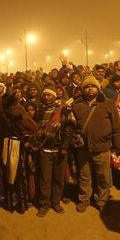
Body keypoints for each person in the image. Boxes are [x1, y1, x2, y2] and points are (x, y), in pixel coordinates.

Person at [71, 76, 120, 212]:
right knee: (84, 176)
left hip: (102, 148)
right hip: (83, 148)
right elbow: (72, 127)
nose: (90, 89)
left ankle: (101, 200)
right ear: (83, 89)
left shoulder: (108, 104)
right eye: (87, 87)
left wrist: (118, 147)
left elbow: (116, 126)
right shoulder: (76, 105)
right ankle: (84, 199)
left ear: (98, 89)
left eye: (93, 86)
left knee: (103, 177)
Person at [35, 88, 74, 216]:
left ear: (54, 96)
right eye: (44, 95)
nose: (46, 97)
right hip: (45, 149)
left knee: (58, 179)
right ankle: (44, 204)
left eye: (49, 95)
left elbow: (69, 130)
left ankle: (56, 202)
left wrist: (64, 147)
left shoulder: (63, 109)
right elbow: (36, 128)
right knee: (45, 179)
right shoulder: (39, 110)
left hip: (59, 150)